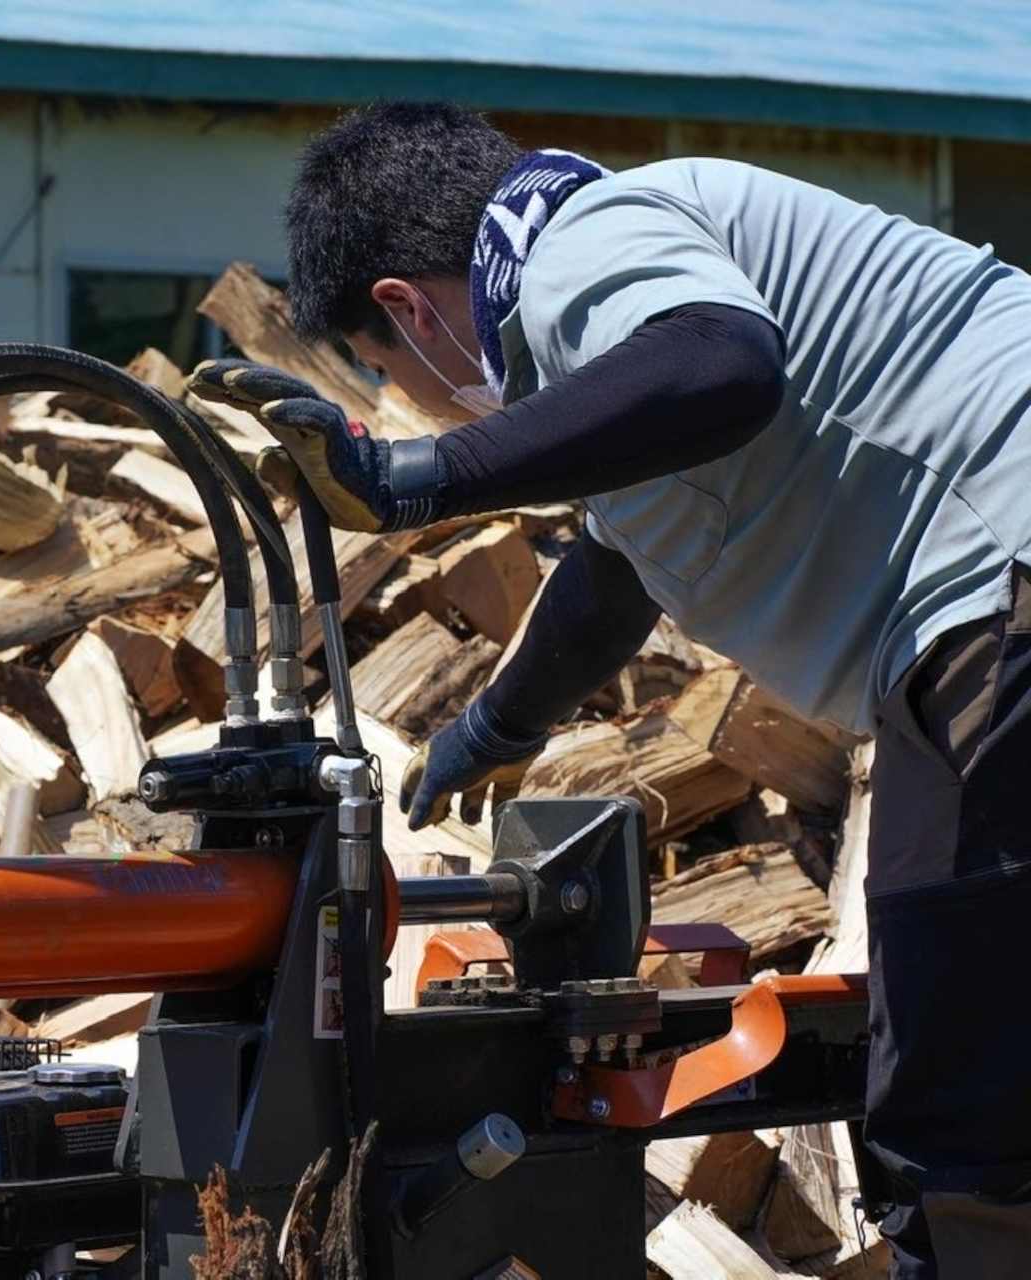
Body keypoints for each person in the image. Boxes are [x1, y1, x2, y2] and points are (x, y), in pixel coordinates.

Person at [187, 100, 1031, 1275]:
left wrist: (414, 475)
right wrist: (494, 726)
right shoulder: (605, 310)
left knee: (962, 1106)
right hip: (992, 607)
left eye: (392, 377)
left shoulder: (586, 236)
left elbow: (721, 366)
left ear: (408, 309)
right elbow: (618, 565)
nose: (421, 399)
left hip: (1003, 590)